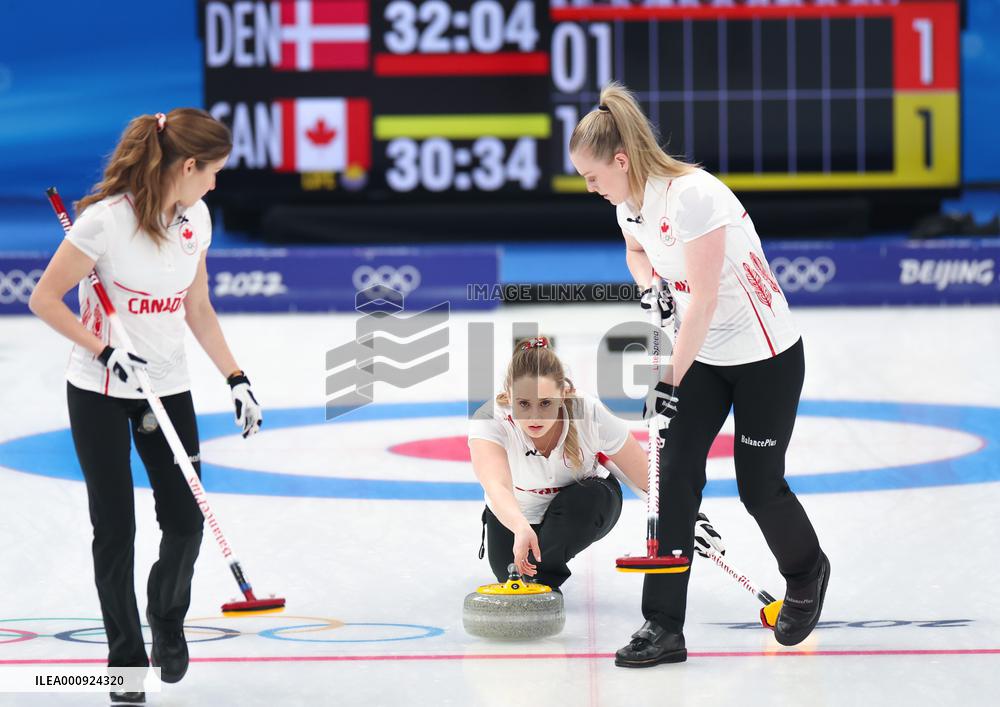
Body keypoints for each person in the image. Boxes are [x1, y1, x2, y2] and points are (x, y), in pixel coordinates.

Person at [569, 83, 829, 667]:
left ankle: (807, 572)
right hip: (703, 357)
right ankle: (662, 626)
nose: (589, 188)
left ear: (621, 160)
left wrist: (667, 382)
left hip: (765, 358)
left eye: (591, 176)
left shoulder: (693, 197)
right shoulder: (627, 206)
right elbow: (639, 252)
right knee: (674, 481)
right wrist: (648, 286)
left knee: (759, 485)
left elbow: (707, 300)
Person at [29, 109, 262, 703]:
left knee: (185, 523)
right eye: (213, 172)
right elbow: (45, 300)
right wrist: (104, 350)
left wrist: (236, 377)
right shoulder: (104, 224)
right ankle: (125, 662)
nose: (215, 184)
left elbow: (198, 307)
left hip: (168, 386)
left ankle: (167, 616)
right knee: (116, 528)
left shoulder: (197, 220)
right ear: (188, 166)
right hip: (100, 392)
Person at [468, 336, 651, 591]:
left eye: (545, 403)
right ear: (508, 396)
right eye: (523, 404)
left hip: (584, 503)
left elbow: (648, 478)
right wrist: (520, 526)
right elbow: (496, 485)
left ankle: (544, 582)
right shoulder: (488, 420)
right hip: (518, 513)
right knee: (509, 573)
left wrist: (686, 517)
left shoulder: (590, 412)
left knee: (582, 504)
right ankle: (539, 574)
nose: (534, 416)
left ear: (564, 393)